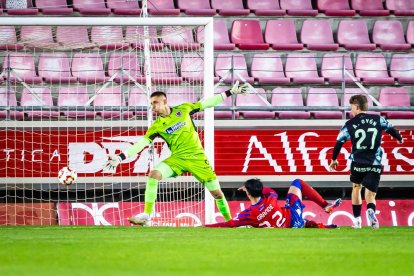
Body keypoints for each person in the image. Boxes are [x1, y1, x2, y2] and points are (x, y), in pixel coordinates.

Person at [103, 81, 250, 226]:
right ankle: (147, 215)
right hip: (177, 159)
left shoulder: (184, 109)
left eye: (155, 103)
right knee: (154, 175)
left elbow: (207, 103)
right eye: (151, 104)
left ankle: (231, 222)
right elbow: (142, 143)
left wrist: (230, 92)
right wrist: (121, 157)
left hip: (197, 158)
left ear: (164, 101)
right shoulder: (156, 126)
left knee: (217, 194)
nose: (153, 107)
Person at [329, 94, 403, 229]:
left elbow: (339, 143)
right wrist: (399, 138)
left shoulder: (350, 124)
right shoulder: (378, 119)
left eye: (352, 107)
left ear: (357, 106)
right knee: (370, 192)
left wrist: (334, 160)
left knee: (356, 188)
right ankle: (371, 211)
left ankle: (357, 221)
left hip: (358, 161)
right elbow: (391, 129)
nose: (351, 110)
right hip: (375, 162)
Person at [205, 178, 342, 228]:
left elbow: (230, 224)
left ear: (247, 193)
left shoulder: (249, 214)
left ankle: (316, 225)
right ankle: (325, 205)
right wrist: (257, 187)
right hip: (294, 218)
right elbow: (271, 191)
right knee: (297, 183)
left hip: (289, 227)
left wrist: (207, 226)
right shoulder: (270, 197)